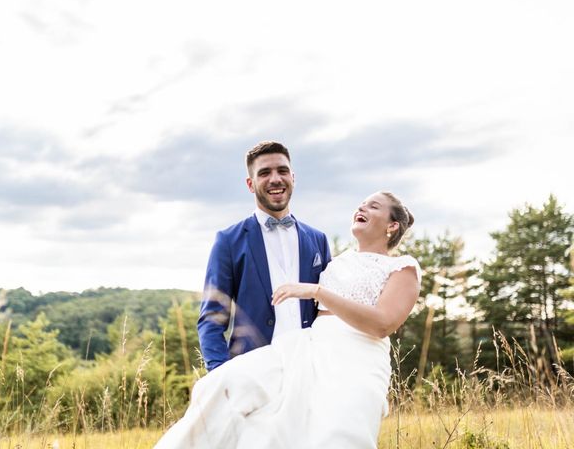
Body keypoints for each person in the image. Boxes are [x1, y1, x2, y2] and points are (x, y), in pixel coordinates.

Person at [155, 191, 421, 449]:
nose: (361, 209)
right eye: (361, 204)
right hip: (308, 350)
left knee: (338, 436)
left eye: (373, 206)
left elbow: (383, 324)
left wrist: (317, 291)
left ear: (392, 225)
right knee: (227, 386)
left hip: (356, 360)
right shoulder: (338, 262)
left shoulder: (402, 267)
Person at [198, 141, 331, 371]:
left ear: (293, 177)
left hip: (309, 370)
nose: (275, 179)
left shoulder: (318, 239)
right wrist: (220, 375)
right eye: (264, 173)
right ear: (251, 184)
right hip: (253, 372)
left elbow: (329, 309)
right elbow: (212, 319)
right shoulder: (228, 241)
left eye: (282, 171)